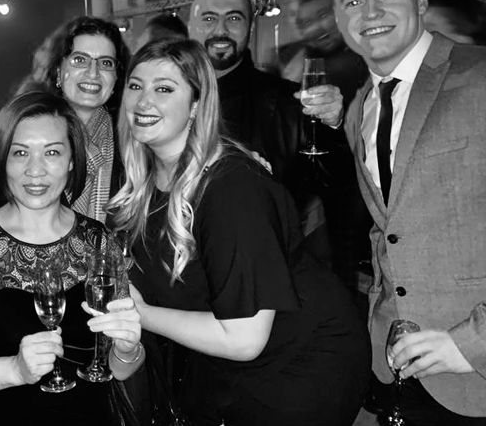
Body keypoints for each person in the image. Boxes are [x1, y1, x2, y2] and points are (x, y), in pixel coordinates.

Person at [109, 38, 370, 425]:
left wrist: (140, 314)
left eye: (164, 88)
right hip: (227, 365)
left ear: (196, 105)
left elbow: (244, 339)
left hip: (298, 365)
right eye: (135, 85)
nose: (143, 101)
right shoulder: (143, 183)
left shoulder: (231, 187)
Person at [327, 0, 486, 424]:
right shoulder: (361, 107)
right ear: (338, 18)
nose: (371, 12)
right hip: (398, 361)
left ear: (420, 1)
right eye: (353, 1)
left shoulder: (480, 76)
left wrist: (474, 341)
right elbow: (391, 227)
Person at [0, 91, 143, 426]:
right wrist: (14, 370)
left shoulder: (98, 242)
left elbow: (119, 370)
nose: (35, 170)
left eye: (52, 152)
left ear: (72, 160)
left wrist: (128, 350)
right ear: (3, 159)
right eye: (20, 152)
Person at [187, 0, 349, 275]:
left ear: (250, 28)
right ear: (190, 27)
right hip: (182, 269)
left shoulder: (288, 102)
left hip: (263, 268)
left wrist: (333, 125)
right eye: (209, 18)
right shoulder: (166, 98)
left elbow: (336, 185)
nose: (221, 30)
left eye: (234, 18)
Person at [19, 16, 130, 222]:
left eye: (106, 63)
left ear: (116, 78)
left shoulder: (132, 146)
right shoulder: (24, 132)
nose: (93, 73)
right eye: (80, 60)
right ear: (58, 70)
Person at [287, 0, 370, 107]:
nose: (315, 28)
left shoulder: (368, 55)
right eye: (307, 23)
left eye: (323, 15)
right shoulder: (302, 62)